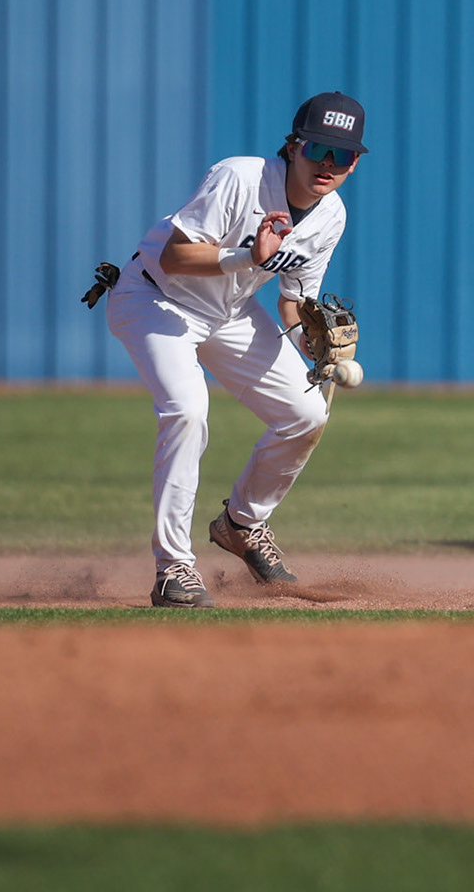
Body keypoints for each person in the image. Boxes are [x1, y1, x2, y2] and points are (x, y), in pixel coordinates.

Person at [105, 92, 367, 606]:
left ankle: (242, 524)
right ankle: (174, 568)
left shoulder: (330, 215)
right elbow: (177, 256)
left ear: (356, 163)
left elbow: (295, 302)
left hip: (228, 314)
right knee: (186, 410)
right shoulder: (240, 177)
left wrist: (316, 344)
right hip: (155, 298)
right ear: (294, 146)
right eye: (319, 149)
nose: (328, 164)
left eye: (344, 156)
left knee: (306, 414)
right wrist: (248, 254)